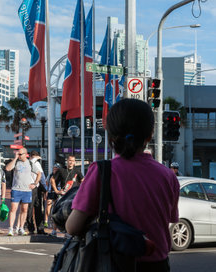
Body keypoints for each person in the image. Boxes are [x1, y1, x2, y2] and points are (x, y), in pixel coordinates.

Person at [66, 98, 180, 271]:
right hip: (158, 265)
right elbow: (169, 219)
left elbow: (72, 227)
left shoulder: (102, 171)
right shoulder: (168, 176)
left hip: (113, 264)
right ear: (149, 135)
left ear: (110, 135)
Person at [5, 147, 41, 236]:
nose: (19, 155)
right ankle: (11, 228)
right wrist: (15, 158)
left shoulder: (30, 163)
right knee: (13, 208)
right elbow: (8, 168)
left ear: (26, 154)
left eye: (20, 154)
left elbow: (39, 173)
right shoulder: (16, 162)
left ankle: (21, 227)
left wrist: (35, 183)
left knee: (24, 209)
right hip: (16, 189)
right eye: (18, 154)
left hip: (27, 190)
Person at [50, 155, 82, 236]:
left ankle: (68, 231)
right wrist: (56, 191)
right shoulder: (61, 170)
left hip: (72, 196)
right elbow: (52, 179)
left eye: (73, 161)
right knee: (57, 212)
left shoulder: (77, 171)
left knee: (69, 213)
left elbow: (83, 181)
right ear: (67, 161)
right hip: (63, 195)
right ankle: (54, 230)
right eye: (70, 160)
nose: (71, 162)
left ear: (75, 162)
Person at [26, 151, 47, 235]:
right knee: (35, 208)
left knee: (32, 208)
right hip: (34, 187)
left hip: (31, 187)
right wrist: (45, 189)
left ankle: (32, 228)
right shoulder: (35, 163)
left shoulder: (29, 163)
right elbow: (42, 176)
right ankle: (39, 228)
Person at [44, 163, 62, 228]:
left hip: (58, 192)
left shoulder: (60, 175)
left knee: (55, 206)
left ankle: (53, 220)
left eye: (57, 169)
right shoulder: (50, 175)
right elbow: (47, 183)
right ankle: (46, 221)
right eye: (54, 168)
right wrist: (46, 192)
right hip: (50, 192)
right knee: (48, 206)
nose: (55, 170)